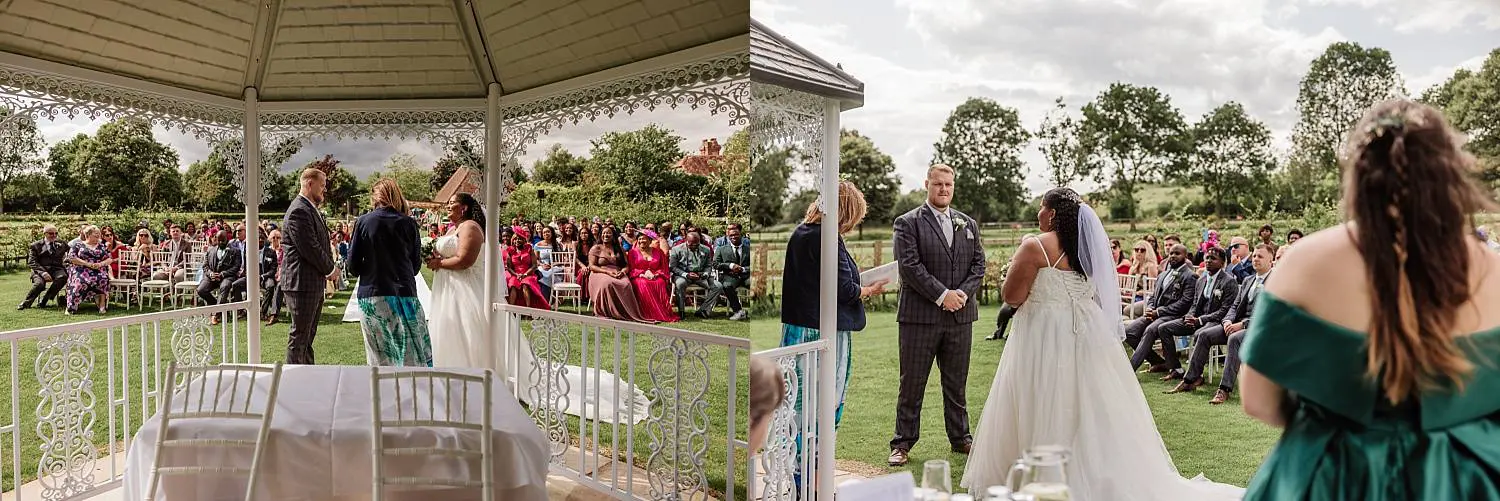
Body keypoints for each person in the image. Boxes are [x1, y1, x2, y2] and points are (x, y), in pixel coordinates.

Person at [1240, 100, 1500, 499]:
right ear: (1449, 175)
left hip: (1335, 475)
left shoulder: (1305, 260)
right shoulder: (1494, 269)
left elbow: (1258, 401)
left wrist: (1330, 423)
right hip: (1463, 480)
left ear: (1359, 175)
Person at [959, 187, 1243, 499]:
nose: (1038, 213)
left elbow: (1012, 296)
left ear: (1052, 213)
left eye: (1041, 207)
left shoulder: (1034, 247)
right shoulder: (1090, 248)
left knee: (1038, 395)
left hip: (1042, 334)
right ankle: (1093, 473)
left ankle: (1035, 477)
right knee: (1089, 404)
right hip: (1086, 333)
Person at [428, 194, 650, 422]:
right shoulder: (452, 228)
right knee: (452, 330)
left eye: (451, 203)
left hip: (467, 291)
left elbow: (466, 260)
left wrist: (439, 263)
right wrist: (434, 255)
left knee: (470, 332)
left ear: (463, 207)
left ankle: (474, 376)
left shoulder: (471, 227)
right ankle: (451, 377)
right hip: (450, 289)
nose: (447, 206)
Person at [781, 181, 888, 486]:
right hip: (822, 333)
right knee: (822, 402)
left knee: (797, 402)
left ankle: (799, 476)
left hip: (796, 329)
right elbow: (844, 289)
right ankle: (812, 480)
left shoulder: (801, 233)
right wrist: (868, 289)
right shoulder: (827, 237)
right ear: (847, 212)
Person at [888, 164, 985, 467]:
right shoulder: (907, 223)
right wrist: (944, 296)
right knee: (912, 384)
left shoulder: (967, 223)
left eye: (949, 185)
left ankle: (961, 438)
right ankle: (902, 443)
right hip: (920, 318)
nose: (944, 189)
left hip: (960, 317)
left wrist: (963, 295)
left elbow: (978, 266)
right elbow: (910, 266)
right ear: (927, 184)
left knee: (956, 384)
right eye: (938, 184)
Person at [346, 179, 432, 367]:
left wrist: (369, 269)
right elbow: (415, 265)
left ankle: (380, 395)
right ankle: (412, 393)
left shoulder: (363, 222)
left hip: (373, 294)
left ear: (375, 197)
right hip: (404, 294)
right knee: (411, 354)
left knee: (378, 357)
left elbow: (352, 265)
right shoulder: (409, 223)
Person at [281, 167, 337, 365]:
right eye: (322, 185)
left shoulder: (309, 209)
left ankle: (309, 376)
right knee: (300, 337)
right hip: (301, 283)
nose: (324, 190)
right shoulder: (299, 210)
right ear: (309, 183)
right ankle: (294, 381)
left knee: (306, 338)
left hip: (310, 282)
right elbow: (310, 248)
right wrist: (331, 269)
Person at [588, 226, 656, 323]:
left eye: (608, 233)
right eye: (603, 233)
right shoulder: (596, 248)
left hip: (618, 272)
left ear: (613, 235)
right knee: (608, 283)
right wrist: (607, 272)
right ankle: (607, 311)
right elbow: (592, 266)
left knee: (626, 284)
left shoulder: (619, 249)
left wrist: (623, 272)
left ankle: (624, 311)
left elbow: (626, 266)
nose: (605, 235)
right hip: (600, 272)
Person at [670, 230, 725, 319]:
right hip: (683, 275)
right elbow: (673, 267)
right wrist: (686, 274)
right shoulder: (676, 249)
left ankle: (702, 310)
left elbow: (708, 265)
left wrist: (706, 274)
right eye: (692, 244)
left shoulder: (706, 249)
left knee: (718, 286)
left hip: (700, 276)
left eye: (697, 244)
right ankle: (681, 311)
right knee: (680, 284)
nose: (695, 247)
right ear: (686, 241)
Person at [627, 232, 677, 323]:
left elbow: (664, 268)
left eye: (644, 238)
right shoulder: (632, 252)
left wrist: (656, 274)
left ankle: (661, 312)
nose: (642, 241)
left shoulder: (659, 252)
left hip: (655, 276)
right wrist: (642, 273)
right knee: (643, 283)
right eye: (640, 239)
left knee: (660, 282)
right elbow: (631, 268)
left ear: (650, 240)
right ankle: (646, 313)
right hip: (638, 276)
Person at [196, 231, 245, 321]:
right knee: (201, 290)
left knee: (225, 287)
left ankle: (216, 314)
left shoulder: (236, 251)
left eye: (223, 240)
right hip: (211, 277)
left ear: (228, 239)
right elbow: (205, 266)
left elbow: (236, 267)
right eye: (219, 240)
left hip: (227, 277)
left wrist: (223, 274)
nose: (221, 243)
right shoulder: (210, 250)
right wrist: (211, 273)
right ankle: (217, 306)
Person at [64, 225, 112, 315]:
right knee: (80, 282)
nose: (98, 236)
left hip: (98, 269)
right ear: (88, 235)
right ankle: (71, 307)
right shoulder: (78, 245)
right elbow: (72, 258)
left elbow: (109, 259)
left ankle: (102, 306)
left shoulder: (102, 246)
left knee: (103, 279)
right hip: (81, 269)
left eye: (99, 234)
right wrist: (87, 264)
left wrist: (100, 264)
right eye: (95, 234)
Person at [19, 225, 68, 310]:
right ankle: (26, 303)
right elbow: (32, 262)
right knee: (39, 284)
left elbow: (72, 251)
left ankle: (45, 300)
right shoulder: (35, 245)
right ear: (44, 234)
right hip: (40, 270)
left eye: (56, 233)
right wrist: (43, 272)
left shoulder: (62, 243)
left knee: (63, 277)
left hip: (57, 269)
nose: (54, 235)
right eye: (51, 233)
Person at [502, 231, 551, 310]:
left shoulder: (529, 249)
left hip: (529, 273)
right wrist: (516, 275)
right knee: (513, 284)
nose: (517, 241)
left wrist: (525, 274)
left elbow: (534, 265)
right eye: (515, 239)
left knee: (525, 283)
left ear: (524, 240)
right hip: (515, 274)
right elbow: (509, 267)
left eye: (519, 239)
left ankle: (528, 310)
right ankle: (510, 310)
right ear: (513, 240)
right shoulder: (510, 251)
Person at [714, 222, 751, 321]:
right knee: (726, 285)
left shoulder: (749, 249)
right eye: (731, 235)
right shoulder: (721, 249)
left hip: (746, 276)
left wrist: (743, 269)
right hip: (730, 276)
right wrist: (730, 265)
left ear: (741, 235)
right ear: (728, 236)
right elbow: (715, 264)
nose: (734, 237)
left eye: (736, 234)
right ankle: (738, 311)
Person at [260, 230, 283, 324]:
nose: (275, 239)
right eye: (273, 237)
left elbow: (284, 265)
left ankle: (274, 314)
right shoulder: (267, 250)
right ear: (269, 239)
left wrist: (280, 274)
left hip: (280, 275)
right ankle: (263, 312)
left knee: (279, 286)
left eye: (278, 237)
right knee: (270, 285)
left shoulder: (284, 250)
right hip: (269, 275)